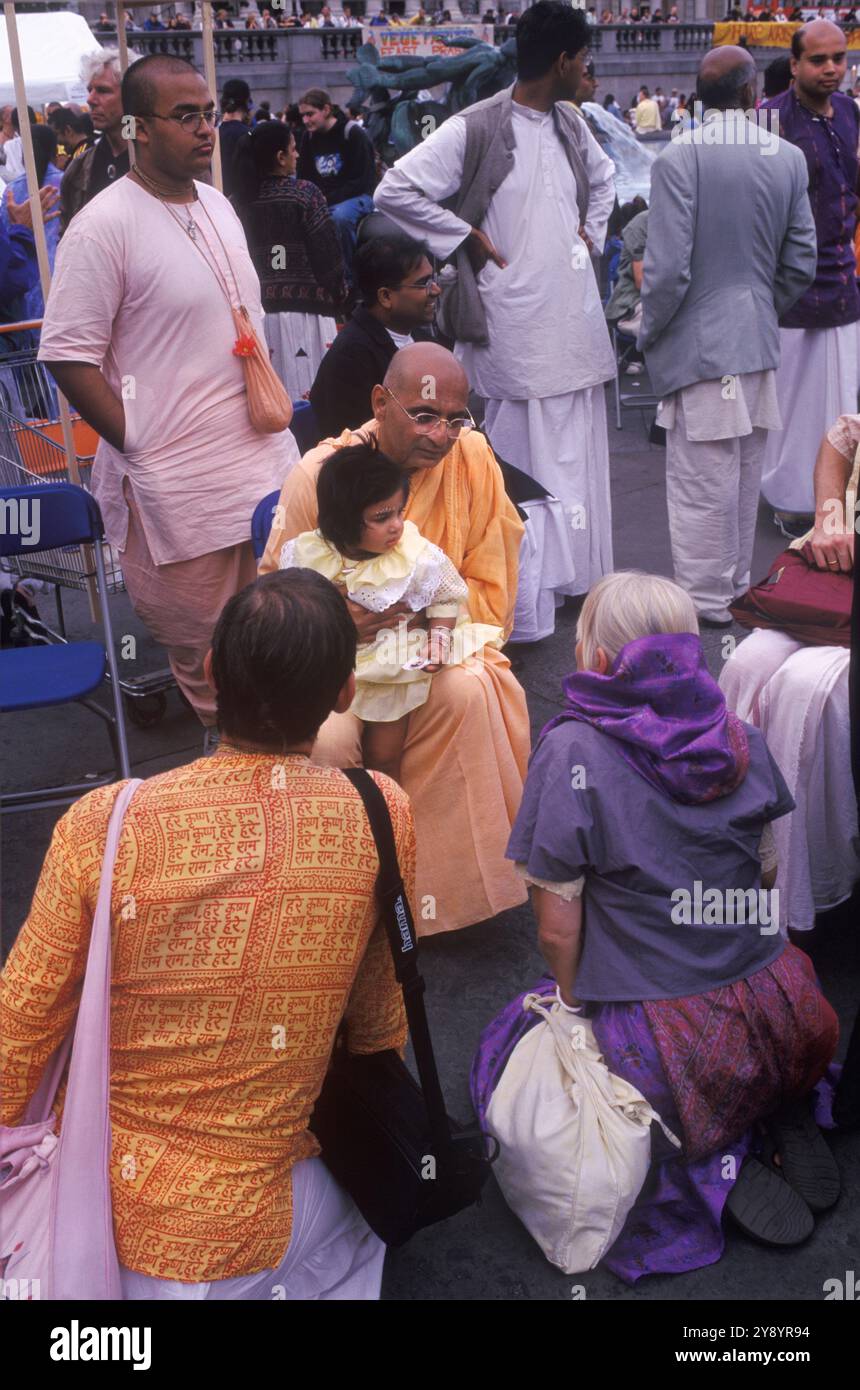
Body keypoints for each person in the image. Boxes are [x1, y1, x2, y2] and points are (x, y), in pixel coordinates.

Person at [0, 568, 414, 1299]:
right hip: (259, 1230)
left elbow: (23, 1019)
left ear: (214, 672)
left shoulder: (106, 822)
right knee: (359, 1227)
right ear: (346, 692)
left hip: (93, 1215)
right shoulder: (381, 812)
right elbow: (379, 1017)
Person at [473, 570, 840, 1278]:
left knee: (509, 1046)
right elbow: (764, 873)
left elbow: (555, 931)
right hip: (789, 1004)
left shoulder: (574, 750)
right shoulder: (739, 735)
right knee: (765, 1043)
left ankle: (713, 1165)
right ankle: (777, 1100)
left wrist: (575, 1009)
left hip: (674, 1043)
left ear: (600, 659)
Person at [38, 54, 299, 734]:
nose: (205, 128)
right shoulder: (104, 225)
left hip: (264, 469)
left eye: (208, 113)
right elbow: (67, 355)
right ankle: (232, 804)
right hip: (180, 490)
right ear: (136, 128)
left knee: (279, 645)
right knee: (213, 665)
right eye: (185, 116)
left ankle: (286, 803)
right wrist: (141, 444)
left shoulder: (215, 202)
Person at [261, 342, 531, 935]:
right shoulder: (319, 476)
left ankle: (427, 897)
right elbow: (272, 607)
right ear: (380, 403)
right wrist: (335, 626)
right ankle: (337, 904)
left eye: (456, 420)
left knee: (473, 691)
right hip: (329, 667)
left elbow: (490, 583)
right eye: (425, 415)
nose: (442, 435)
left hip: (426, 655)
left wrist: (431, 634)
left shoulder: (474, 460)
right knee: (328, 741)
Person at [374, 2, 617, 616]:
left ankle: (573, 585)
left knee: (574, 455)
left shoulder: (571, 123)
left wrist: (591, 233)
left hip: (572, 320)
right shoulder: (477, 125)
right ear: (563, 61)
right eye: (583, 59)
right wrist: (462, 235)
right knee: (515, 463)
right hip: (512, 325)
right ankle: (521, 601)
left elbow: (606, 176)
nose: (587, 69)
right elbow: (393, 189)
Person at [639, 46, 817, 627]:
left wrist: (648, 332)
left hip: (700, 347)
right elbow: (802, 261)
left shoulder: (678, 158)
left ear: (697, 95)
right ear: (749, 95)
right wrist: (761, 306)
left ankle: (704, 600)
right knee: (741, 477)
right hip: (755, 340)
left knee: (701, 485)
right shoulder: (787, 157)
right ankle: (734, 586)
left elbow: (668, 273)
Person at [281, 445, 504, 779]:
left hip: (392, 667)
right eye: (382, 517)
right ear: (340, 522)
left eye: (400, 511)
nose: (397, 526)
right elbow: (291, 605)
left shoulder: (414, 555)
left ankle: (390, 811)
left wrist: (439, 638)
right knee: (332, 749)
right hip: (330, 667)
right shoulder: (305, 554)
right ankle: (349, 808)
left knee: (384, 756)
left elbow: (447, 596)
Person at [720, 413, 860, 933]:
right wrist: (829, 518)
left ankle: (791, 897)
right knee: (744, 665)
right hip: (832, 585)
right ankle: (730, 868)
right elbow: (842, 435)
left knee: (802, 688)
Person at [759, 20, 860, 536]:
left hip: (843, 284)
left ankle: (840, 498)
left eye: (838, 58)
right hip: (790, 288)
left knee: (844, 399)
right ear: (794, 64)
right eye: (818, 60)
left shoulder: (849, 112)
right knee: (792, 403)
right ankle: (789, 497)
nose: (831, 69)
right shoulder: (766, 119)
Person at [232, 120, 347, 399]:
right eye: (293, 150)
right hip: (308, 318)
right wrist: (341, 295)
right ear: (280, 157)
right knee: (313, 401)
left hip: (257, 321)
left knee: (273, 400)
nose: (298, 155)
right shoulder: (306, 194)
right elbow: (328, 256)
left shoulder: (235, 203)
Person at [310, 232, 439, 439]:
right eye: (423, 283)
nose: (436, 290)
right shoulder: (351, 359)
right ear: (386, 296)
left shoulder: (424, 340)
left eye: (433, 279)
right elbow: (352, 447)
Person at [60, 48, 142, 232]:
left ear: (132, 95)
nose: (90, 99)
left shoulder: (166, 162)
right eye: (90, 90)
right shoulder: (79, 169)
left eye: (103, 91)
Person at [296, 88, 376, 278]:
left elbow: (363, 180)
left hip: (357, 197)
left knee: (339, 219)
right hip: (325, 199)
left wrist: (326, 199)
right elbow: (304, 176)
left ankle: (348, 278)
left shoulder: (353, 133)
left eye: (310, 114)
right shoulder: (308, 138)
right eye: (303, 116)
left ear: (326, 109)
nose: (305, 120)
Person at [0, 126, 63, 322]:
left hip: (24, 280)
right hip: (60, 275)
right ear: (54, 151)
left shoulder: (12, 189)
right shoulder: (67, 182)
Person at [218, 76, 253, 201]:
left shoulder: (213, 134)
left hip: (216, 202)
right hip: (243, 204)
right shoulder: (249, 135)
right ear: (247, 102)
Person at [48, 104, 95, 170]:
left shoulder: (80, 157)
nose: (57, 142)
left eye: (56, 135)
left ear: (68, 130)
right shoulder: (92, 147)